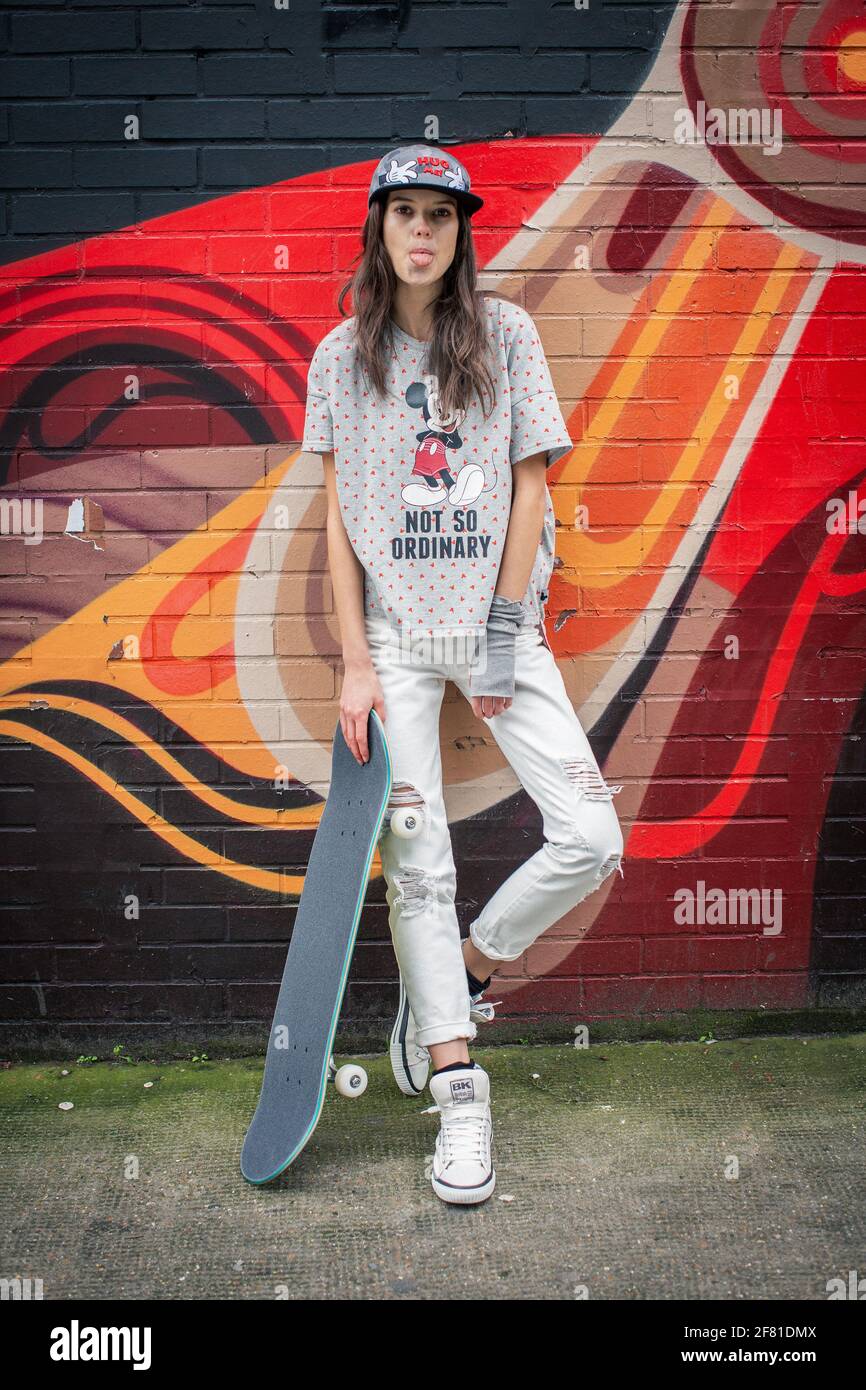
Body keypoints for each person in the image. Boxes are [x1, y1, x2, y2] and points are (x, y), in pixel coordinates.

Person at [301, 143, 625, 1206]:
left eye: (440, 215)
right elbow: (339, 530)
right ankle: (455, 1080)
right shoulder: (338, 359)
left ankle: (473, 968)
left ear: (459, 230)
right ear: (379, 228)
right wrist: (354, 663)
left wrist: (496, 630)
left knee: (589, 834)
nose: (423, 232)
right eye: (405, 214)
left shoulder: (508, 338)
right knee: (419, 862)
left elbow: (529, 492)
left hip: (498, 625)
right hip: (392, 638)